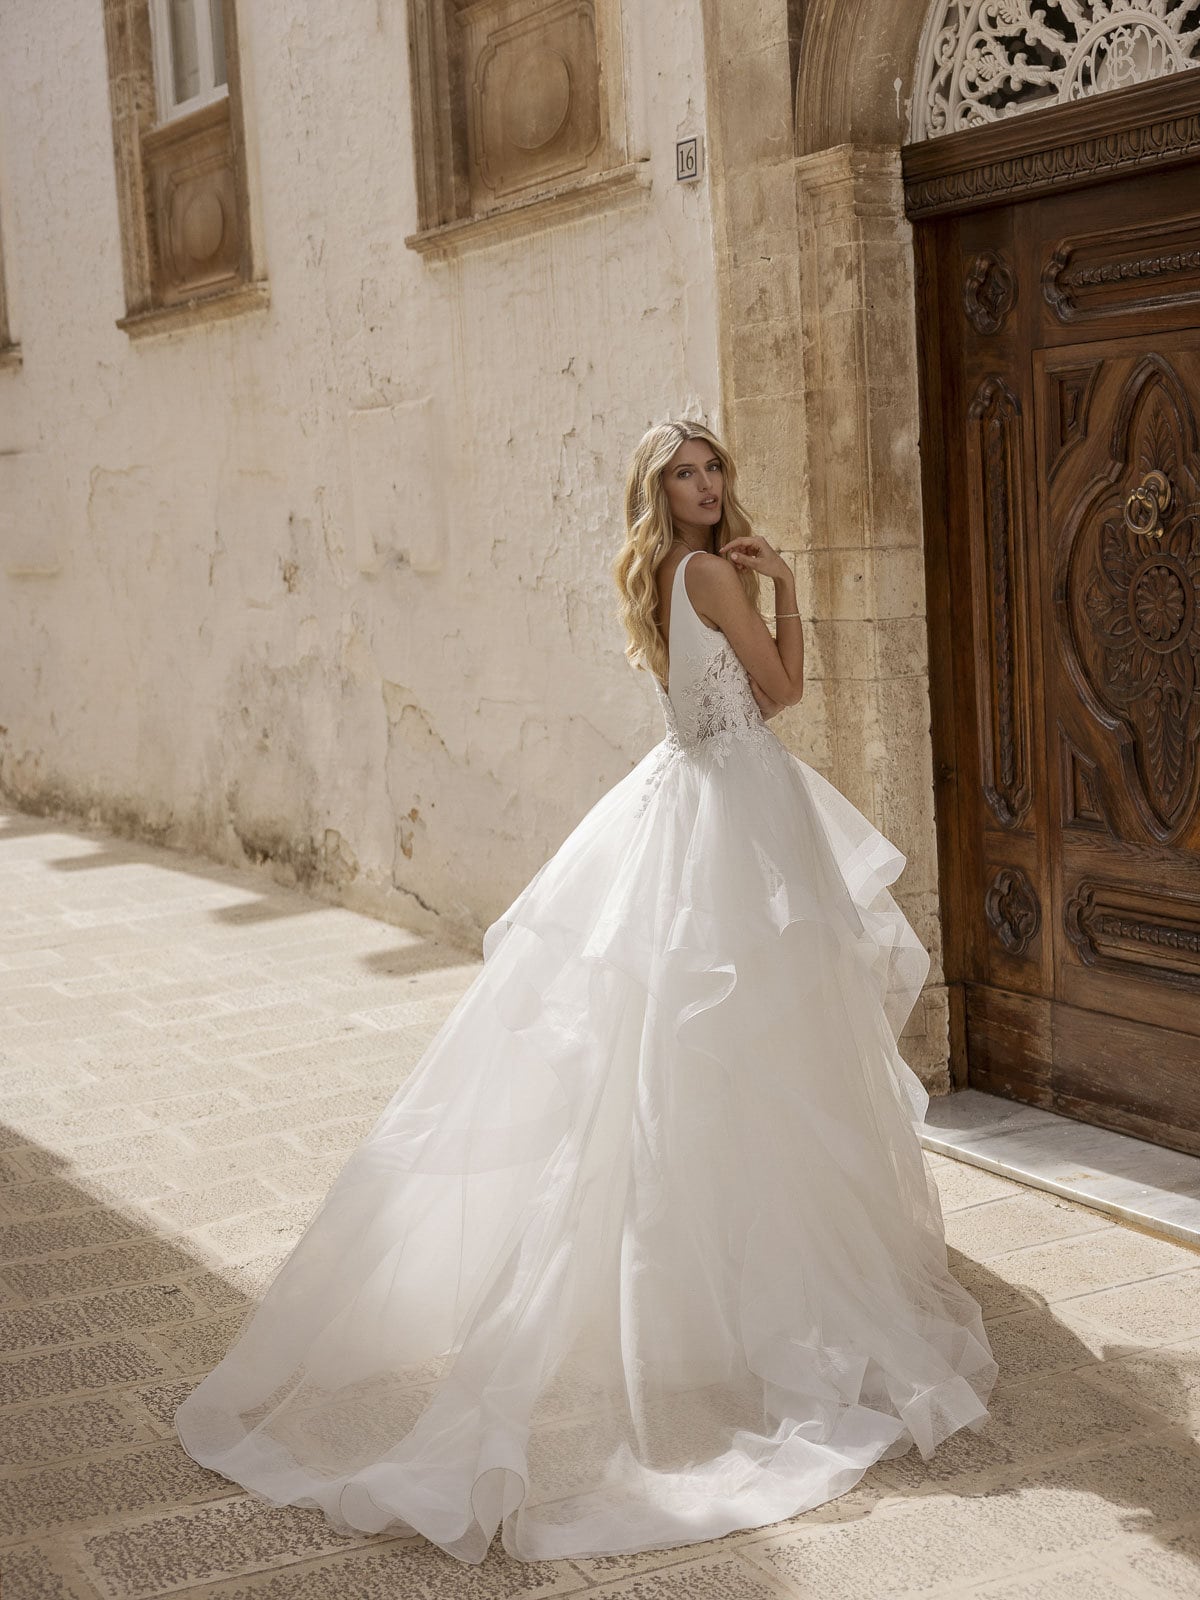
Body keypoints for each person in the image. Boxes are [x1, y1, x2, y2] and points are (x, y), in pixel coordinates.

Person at [176, 419, 997, 1564]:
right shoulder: (710, 570)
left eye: (713, 467)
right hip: (734, 814)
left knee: (701, 1066)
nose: (707, 486)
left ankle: (718, 1297)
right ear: (661, 493)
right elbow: (787, 691)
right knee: (749, 1055)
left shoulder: (666, 572)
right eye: (685, 474)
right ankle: (753, 1304)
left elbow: (730, 702)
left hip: (699, 803)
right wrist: (793, 586)